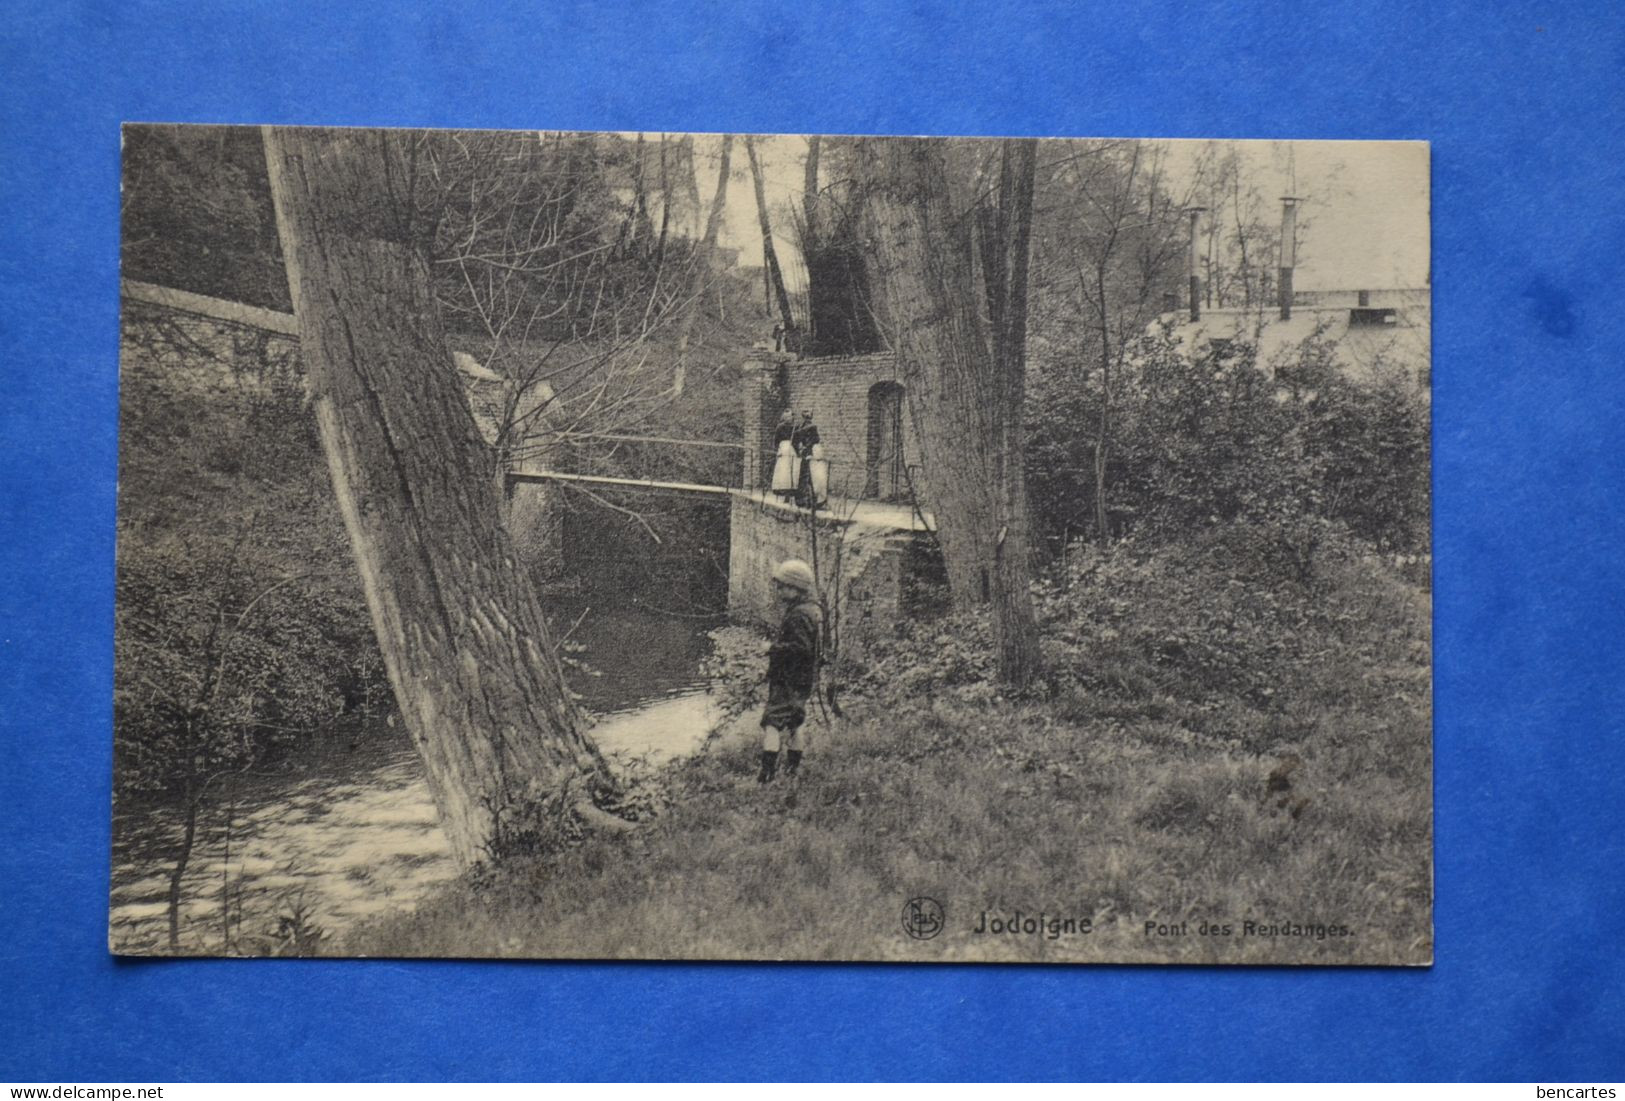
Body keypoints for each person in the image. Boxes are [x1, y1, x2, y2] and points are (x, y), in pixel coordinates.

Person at [759, 558, 821, 783]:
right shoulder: (812, 609)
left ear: (796, 588)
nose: (779, 590)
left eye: (783, 586)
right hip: (803, 679)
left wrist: (771, 648)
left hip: (789, 679)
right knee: (796, 722)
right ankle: (792, 771)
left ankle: (766, 777)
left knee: (771, 723)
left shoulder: (798, 615)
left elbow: (800, 648)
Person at [791, 411, 822, 508]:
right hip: (810, 453)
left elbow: (793, 441)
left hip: (805, 453)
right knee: (811, 476)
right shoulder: (812, 427)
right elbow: (816, 440)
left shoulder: (799, 427)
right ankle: (810, 500)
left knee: (804, 476)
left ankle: (803, 500)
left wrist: (799, 450)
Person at [769, 410, 798, 500]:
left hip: (791, 448)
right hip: (783, 448)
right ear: (784, 418)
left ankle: (791, 487)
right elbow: (776, 439)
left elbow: (796, 440)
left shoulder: (794, 427)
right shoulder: (780, 427)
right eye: (788, 417)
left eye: (791, 417)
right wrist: (777, 449)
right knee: (783, 467)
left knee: (792, 467)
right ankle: (781, 487)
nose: (790, 418)